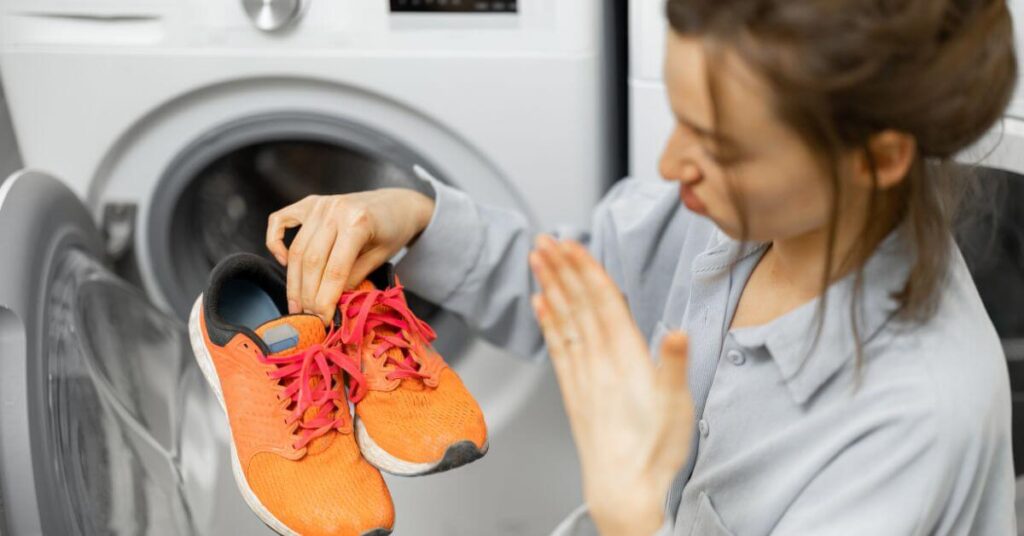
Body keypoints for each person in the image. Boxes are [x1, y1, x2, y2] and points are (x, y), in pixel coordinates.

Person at [263, 0, 1019, 533]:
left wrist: (630, 517)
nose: (669, 164)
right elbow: (573, 287)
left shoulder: (917, 422)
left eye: (719, 146)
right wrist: (413, 218)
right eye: (681, 118)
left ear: (875, 158)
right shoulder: (729, 216)